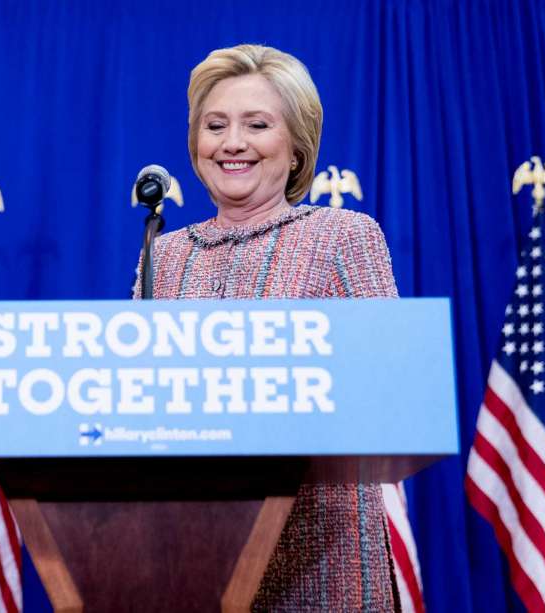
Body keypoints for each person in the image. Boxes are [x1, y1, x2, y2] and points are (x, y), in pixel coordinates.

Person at [137, 44, 400, 611]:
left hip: (319, 556)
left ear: (296, 144)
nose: (233, 142)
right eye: (216, 125)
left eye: (257, 124)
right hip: (188, 558)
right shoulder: (165, 253)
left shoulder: (343, 237)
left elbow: (391, 392)